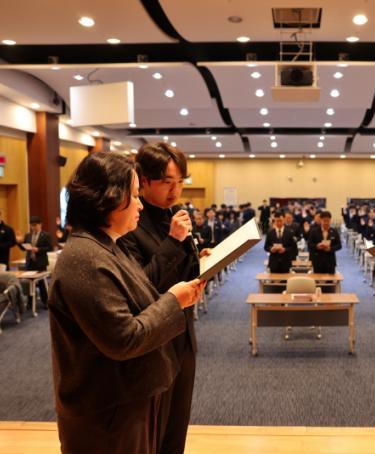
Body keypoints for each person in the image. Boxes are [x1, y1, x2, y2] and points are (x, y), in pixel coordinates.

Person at [49, 151, 205, 454]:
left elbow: (140, 297)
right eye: (133, 195)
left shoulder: (108, 246)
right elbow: (124, 337)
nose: (140, 204)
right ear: (108, 198)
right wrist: (174, 300)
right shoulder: (86, 259)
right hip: (107, 409)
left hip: (125, 398)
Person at [120, 142, 208, 454]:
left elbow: (183, 272)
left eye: (180, 182)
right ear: (143, 181)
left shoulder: (174, 214)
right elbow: (140, 287)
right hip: (152, 340)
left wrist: (203, 261)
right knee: (153, 431)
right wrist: (173, 240)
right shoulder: (128, 224)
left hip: (183, 333)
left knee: (176, 425)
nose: (176, 190)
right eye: (167, 182)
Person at [17, 216, 53, 308]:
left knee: (42, 283)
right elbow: (23, 248)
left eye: (35, 225)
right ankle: (30, 303)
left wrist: (39, 249)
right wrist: (19, 242)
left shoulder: (46, 235)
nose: (33, 227)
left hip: (41, 262)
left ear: (40, 225)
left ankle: (45, 302)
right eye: (32, 225)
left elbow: (50, 248)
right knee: (29, 283)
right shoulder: (28, 235)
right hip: (30, 262)